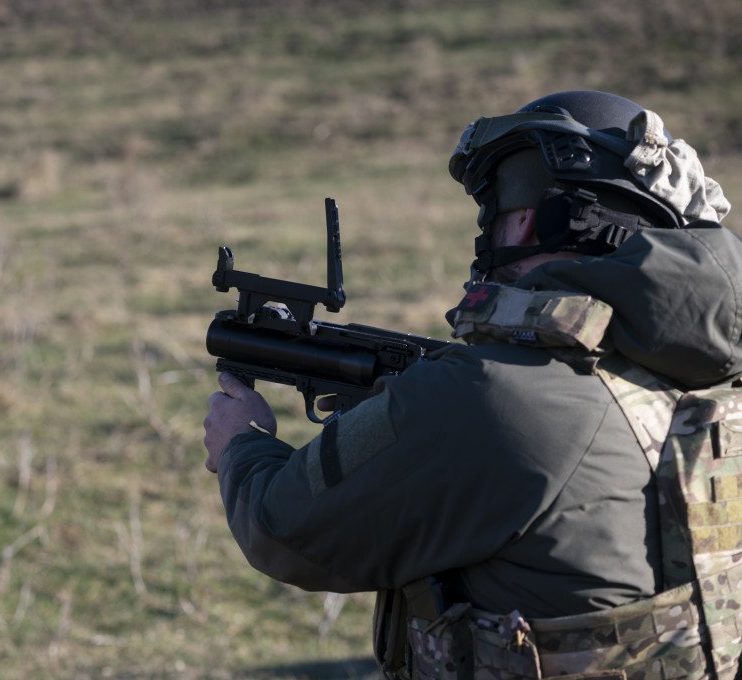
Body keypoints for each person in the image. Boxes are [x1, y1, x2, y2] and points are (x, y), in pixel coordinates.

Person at [202, 90, 742, 679]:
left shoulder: (500, 394)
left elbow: (286, 529)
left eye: (499, 204)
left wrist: (243, 444)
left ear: (537, 213)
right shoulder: (710, 381)